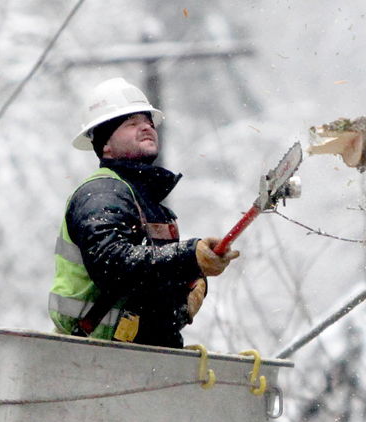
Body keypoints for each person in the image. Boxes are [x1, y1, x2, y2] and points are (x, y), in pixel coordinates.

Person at [49, 78, 237, 347]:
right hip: (98, 352)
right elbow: (112, 264)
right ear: (105, 144)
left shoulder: (145, 201)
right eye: (131, 123)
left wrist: (192, 279)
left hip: (139, 354)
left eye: (148, 121)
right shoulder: (103, 191)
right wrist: (187, 255)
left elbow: (148, 276)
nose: (146, 127)